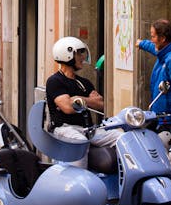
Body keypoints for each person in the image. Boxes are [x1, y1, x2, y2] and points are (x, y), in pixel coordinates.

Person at [45, 37, 122, 169]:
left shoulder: (84, 83)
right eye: (79, 53)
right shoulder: (55, 81)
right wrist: (85, 101)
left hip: (88, 129)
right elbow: (68, 107)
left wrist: (77, 98)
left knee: (122, 137)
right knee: (80, 142)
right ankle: (80, 181)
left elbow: (101, 104)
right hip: (65, 129)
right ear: (67, 55)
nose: (82, 57)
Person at [135, 18, 171, 137]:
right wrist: (141, 44)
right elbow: (154, 49)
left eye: (153, 36)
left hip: (170, 120)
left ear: (163, 38)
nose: (151, 40)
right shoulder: (168, 50)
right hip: (160, 116)